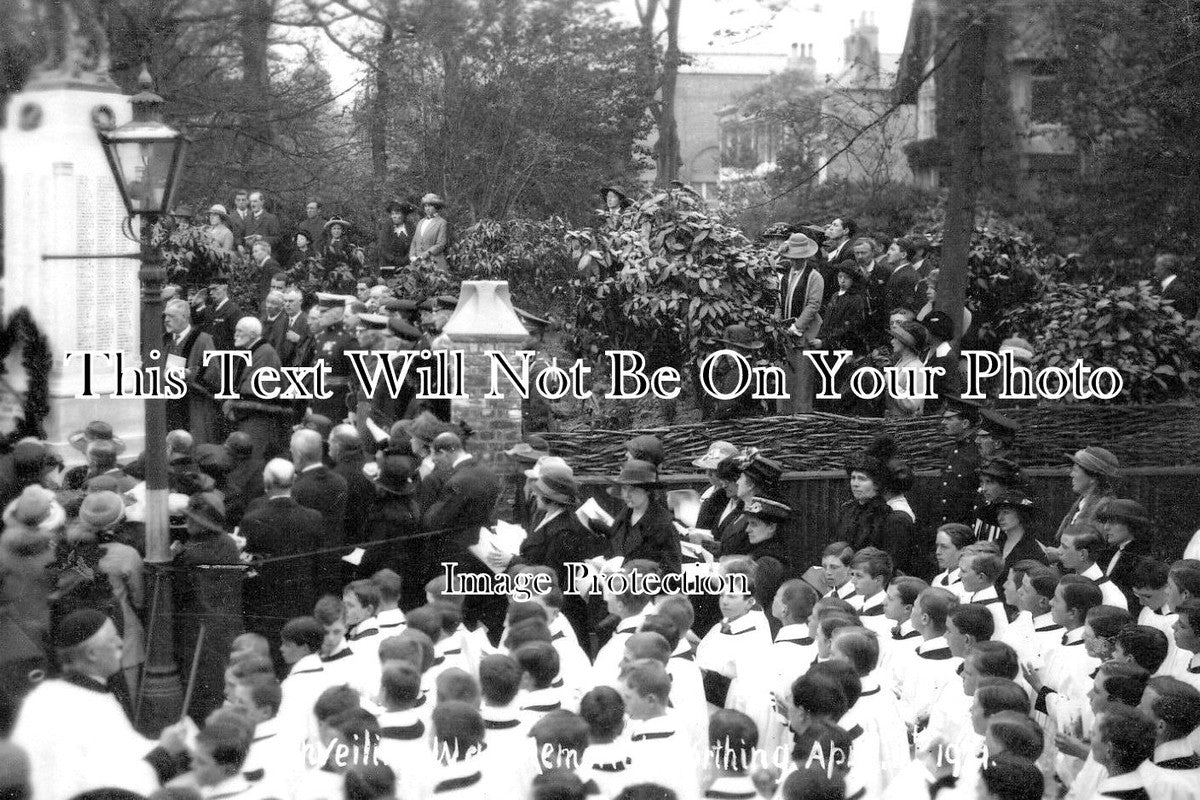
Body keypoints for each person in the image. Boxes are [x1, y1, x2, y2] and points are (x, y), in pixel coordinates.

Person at [11, 609, 190, 800]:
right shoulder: (82, 706)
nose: (121, 643)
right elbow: (113, 787)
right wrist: (164, 753)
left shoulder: (55, 694)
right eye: (113, 639)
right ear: (92, 653)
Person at [173, 494, 245, 723]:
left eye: (193, 520)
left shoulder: (191, 554)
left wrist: (174, 556)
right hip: (228, 622)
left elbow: (178, 591)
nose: (188, 523)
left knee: (199, 681)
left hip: (199, 626)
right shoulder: (228, 543)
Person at [240, 458, 322, 653]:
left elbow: (251, 566)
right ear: (293, 480)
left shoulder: (252, 520)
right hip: (303, 597)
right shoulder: (313, 518)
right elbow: (319, 562)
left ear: (266, 483)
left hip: (267, 601)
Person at [591, 460, 681, 575]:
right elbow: (615, 550)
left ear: (647, 491)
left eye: (633, 489)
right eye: (624, 488)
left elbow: (673, 573)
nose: (627, 495)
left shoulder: (663, 525)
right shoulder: (624, 516)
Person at [222, 317, 289, 460]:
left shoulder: (266, 353)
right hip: (248, 418)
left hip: (257, 420)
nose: (235, 335)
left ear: (252, 334)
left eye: (239, 331)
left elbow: (259, 391)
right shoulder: (252, 350)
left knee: (253, 459)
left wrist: (233, 405)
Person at [777, 232, 824, 414]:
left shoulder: (814, 276)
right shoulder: (786, 274)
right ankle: (784, 416)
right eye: (792, 258)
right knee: (786, 378)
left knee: (803, 379)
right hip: (785, 335)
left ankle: (802, 417)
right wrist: (778, 323)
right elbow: (780, 300)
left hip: (803, 334)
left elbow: (813, 305)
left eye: (799, 258)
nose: (795, 261)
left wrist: (797, 327)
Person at [162, 298, 219, 444]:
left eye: (171, 316)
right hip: (168, 403)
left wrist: (189, 374)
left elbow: (213, 371)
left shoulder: (202, 339)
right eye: (165, 316)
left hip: (193, 405)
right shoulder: (165, 340)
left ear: (185, 317)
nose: (166, 320)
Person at [885, 319, 928, 417]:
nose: (892, 341)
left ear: (906, 343)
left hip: (904, 427)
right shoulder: (901, 362)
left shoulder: (916, 368)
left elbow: (911, 404)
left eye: (896, 338)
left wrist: (892, 383)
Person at [411, 193, 450, 271]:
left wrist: (424, 255)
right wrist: (412, 256)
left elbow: (441, 244)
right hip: (418, 265)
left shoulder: (442, 222)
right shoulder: (420, 222)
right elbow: (414, 242)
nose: (427, 209)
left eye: (430, 206)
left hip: (434, 263)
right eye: (425, 206)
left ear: (436, 207)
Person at [1154, 251, 1198, 318]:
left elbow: (1188, 316)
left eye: (1157, 268)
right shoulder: (1170, 286)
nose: (1155, 271)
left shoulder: (1180, 289)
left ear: (1166, 269)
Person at [203, 275, 242, 352]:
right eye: (210, 290)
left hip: (226, 357)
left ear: (224, 288)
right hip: (209, 355)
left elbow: (238, 340)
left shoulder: (233, 311)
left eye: (215, 289)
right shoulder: (209, 310)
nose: (211, 293)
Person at [377, 199, 416, 273]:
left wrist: (406, 259)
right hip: (389, 265)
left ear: (404, 215)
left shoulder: (411, 228)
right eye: (392, 214)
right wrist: (393, 259)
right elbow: (382, 247)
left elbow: (414, 245)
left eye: (397, 213)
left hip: (407, 264)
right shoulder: (386, 227)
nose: (394, 216)